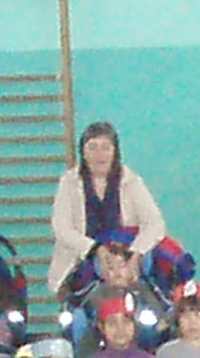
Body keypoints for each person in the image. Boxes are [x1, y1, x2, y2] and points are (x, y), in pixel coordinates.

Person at [48, 121, 168, 295]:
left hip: (125, 263)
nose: (100, 154)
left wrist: (135, 254)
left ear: (115, 152)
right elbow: (62, 228)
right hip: (79, 265)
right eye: (93, 147)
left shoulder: (131, 181)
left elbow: (155, 224)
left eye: (106, 147)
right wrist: (95, 250)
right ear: (83, 152)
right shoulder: (69, 182)